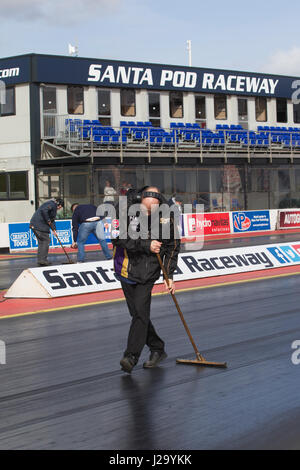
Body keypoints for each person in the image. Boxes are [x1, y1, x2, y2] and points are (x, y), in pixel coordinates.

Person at [112, 186, 180, 374]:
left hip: (148, 272)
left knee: (141, 314)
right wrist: (146, 244)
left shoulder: (167, 217)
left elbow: (173, 247)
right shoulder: (124, 209)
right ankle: (157, 348)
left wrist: (169, 275)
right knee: (138, 316)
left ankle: (131, 356)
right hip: (125, 269)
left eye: (152, 209)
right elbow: (118, 238)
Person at [30, 197, 64, 266]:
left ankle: (40, 260)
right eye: (60, 206)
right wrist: (48, 220)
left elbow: (52, 220)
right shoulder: (52, 204)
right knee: (46, 241)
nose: (60, 208)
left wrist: (54, 229)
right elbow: (44, 211)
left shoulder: (51, 205)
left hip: (35, 225)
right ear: (59, 204)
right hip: (39, 225)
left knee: (41, 242)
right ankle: (43, 260)